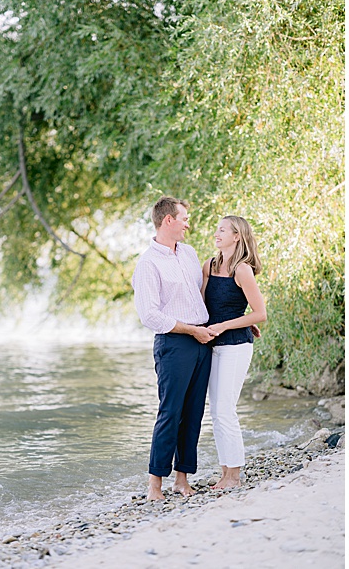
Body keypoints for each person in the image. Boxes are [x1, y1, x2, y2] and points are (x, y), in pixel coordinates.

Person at [131, 196, 216, 500]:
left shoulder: (189, 253)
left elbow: (201, 296)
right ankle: (155, 485)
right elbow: (150, 315)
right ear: (168, 220)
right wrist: (191, 330)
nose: (187, 224)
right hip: (174, 343)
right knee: (171, 412)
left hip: (202, 341)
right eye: (183, 218)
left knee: (194, 412)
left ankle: (182, 480)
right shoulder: (147, 264)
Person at [200, 215, 267, 489]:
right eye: (217, 229)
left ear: (237, 236)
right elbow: (202, 306)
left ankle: (234, 476)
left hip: (236, 347)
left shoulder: (242, 270)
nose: (217, 233)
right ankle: (224, 472)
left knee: (226, 410)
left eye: (223, 230)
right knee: (216, 412)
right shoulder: (209, 265)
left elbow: (260, 314)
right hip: (212, 344)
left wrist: (227, 325)